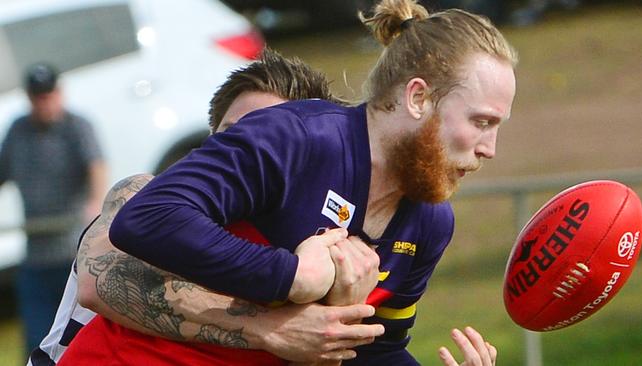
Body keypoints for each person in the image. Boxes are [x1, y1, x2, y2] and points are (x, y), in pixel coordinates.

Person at [108, 0, 518, 363]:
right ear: (417, 98)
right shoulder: (297, 139)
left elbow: (373, 348)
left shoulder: (429, 222)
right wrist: (292, 276)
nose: (490, 148)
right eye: (481, 122)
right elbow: (147, 218)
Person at [29, 49, 384, 366]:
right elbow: (102, 284)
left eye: (270, 141)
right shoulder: (144, 196)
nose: (250, 152)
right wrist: (265, 329)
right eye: (234, 134)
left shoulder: (310, 250)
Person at [0, 63, 107, 355]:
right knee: (36, 341)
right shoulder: (18, 130)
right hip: (36, 255)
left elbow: (96, 166)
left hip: (72, 255)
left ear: (59, 93)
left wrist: (94, 203)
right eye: (38, 97)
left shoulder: (77, 127)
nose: (44, 103)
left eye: (49, 95)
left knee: (77, 343)